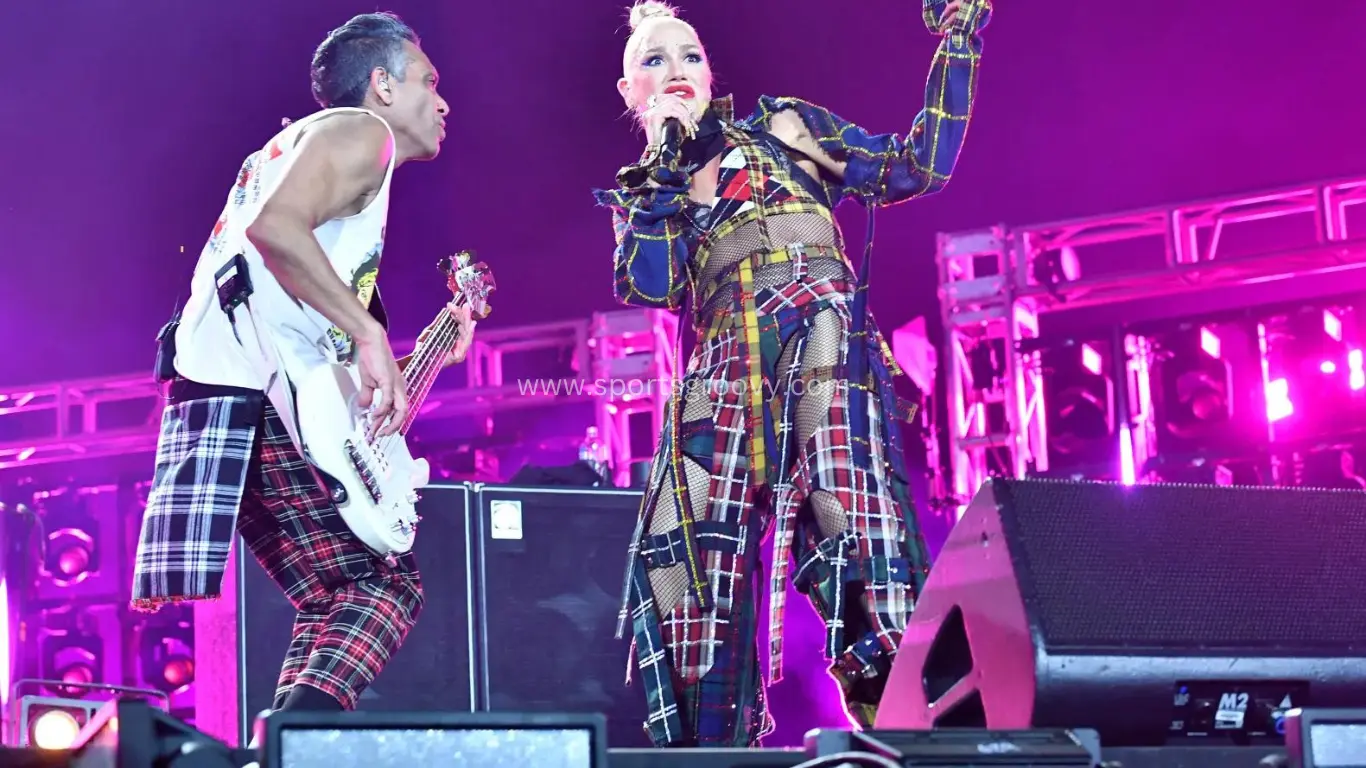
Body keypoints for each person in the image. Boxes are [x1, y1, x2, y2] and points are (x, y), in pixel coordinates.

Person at [593, 0, 989, 747]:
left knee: (855, 530)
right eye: (652, 60)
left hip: (820, 333)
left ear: (710, 73)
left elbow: (916, 167)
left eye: (688, 55)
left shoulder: (783, 128)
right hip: (722, 379)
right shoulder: (645, 189)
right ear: (629, 93)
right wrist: (663, 173)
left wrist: (957, 43)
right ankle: (708, 754)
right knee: (685, 573)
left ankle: (910, 733)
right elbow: (649, 286)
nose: (674, 70)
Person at [130, 12, 474, 716]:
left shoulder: (300, 151)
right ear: (381, 85)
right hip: (253, 391)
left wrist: (410, 350)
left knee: (336, 593)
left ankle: (283, 746)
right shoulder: (360, 132)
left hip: (226, 392)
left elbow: (293, 296)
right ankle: (294, 745)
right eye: (428, 81)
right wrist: (369, 336)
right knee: (384, 588)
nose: (443, 102)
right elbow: (276, 229)